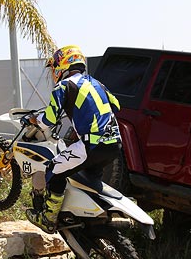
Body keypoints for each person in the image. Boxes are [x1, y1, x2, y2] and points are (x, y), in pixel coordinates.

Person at [24, 45, 122, 234]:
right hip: (114, 145)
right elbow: (116, 105)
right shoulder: (96, 83)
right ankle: (86, 217)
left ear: (62, 65)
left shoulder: (64, 86)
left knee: (54, 168)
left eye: (54, 68)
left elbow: (48, 121)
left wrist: (33, 119)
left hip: (92, 144)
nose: (54, 73)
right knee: (87, 178)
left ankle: (48, 218)